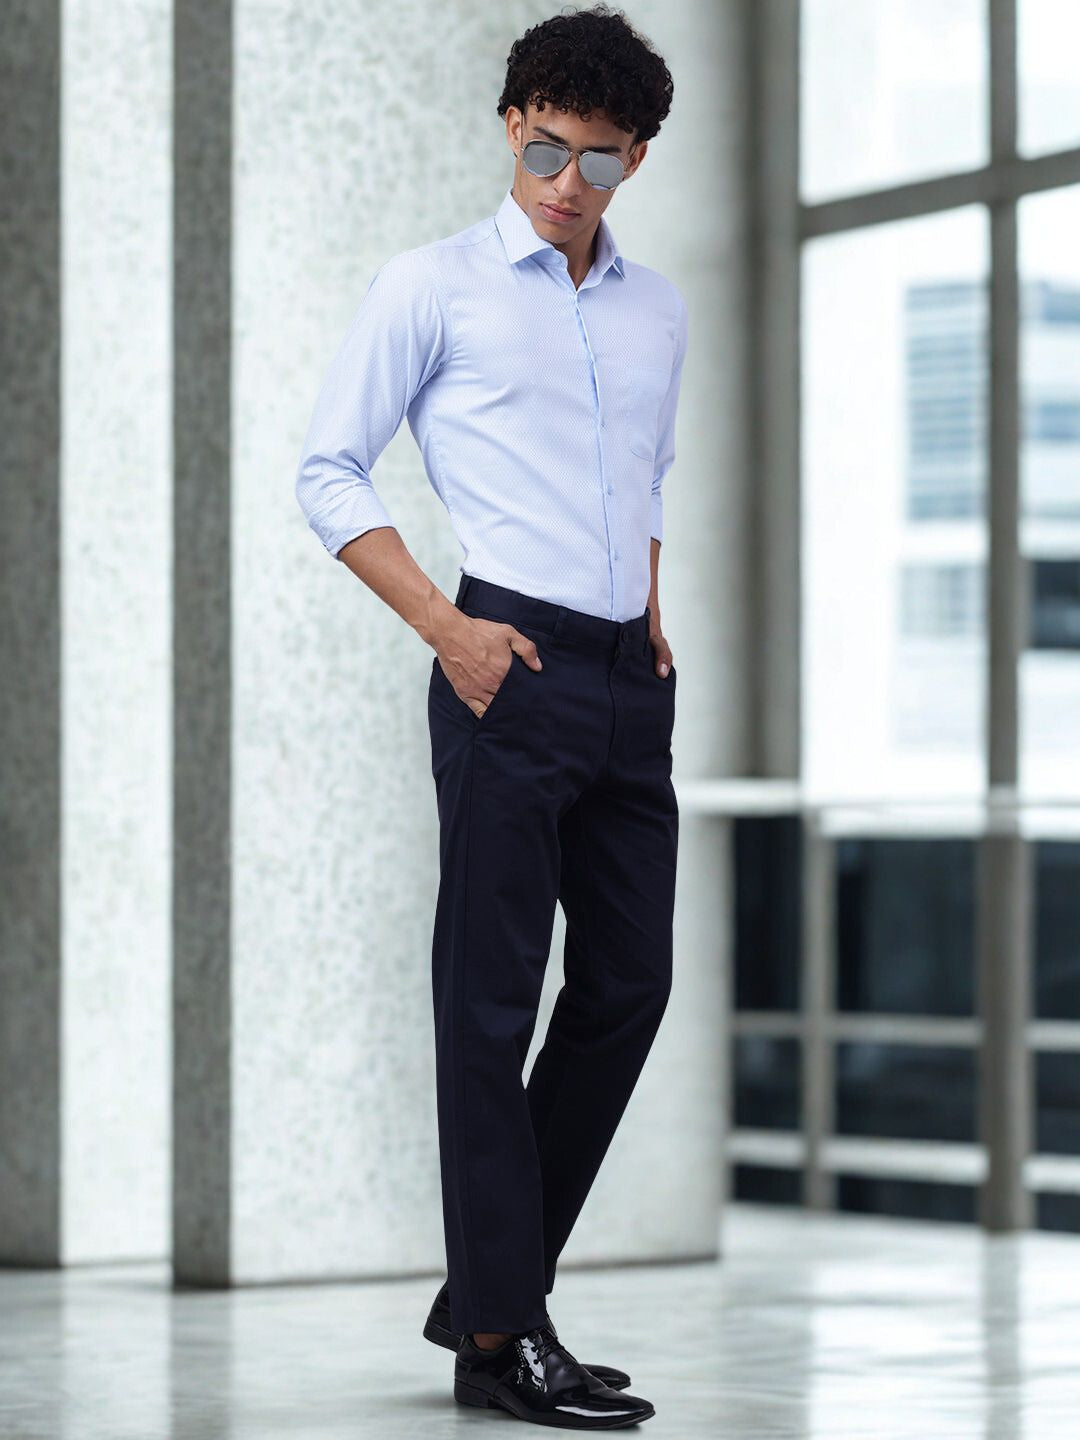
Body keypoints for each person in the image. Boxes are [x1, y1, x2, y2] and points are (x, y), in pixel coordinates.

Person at [295, 4, 687, 1428]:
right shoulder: (435, 286)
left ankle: (484, 1301)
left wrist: (648, 612)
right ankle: (508, 1330)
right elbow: (331, 470)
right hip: (501, 663)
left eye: (596, 157)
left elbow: (641, 476)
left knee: (629, 986)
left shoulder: (659, 310)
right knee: (489, 1000)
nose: (564, 182)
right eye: (541, 145)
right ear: (508, 119)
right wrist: (450, 632)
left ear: (635, 154)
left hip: (626, 685)